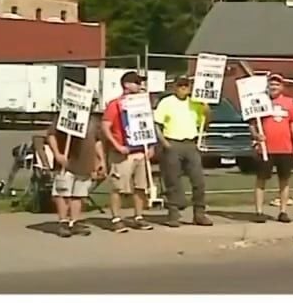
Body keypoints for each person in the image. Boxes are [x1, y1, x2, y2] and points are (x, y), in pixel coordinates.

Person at [153, 75, 212, 226]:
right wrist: (165, 143)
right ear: (175, 87)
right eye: (180, 86)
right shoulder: (166, 102)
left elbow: (205, 124)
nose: (183, 88)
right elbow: (156, 124)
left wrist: (207, 111)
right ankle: (173, 214)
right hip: (173, 143)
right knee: (172, 180)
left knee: (199, 181)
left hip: (191, 144)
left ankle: (199, 213)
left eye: (186, 86)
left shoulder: (196, 103)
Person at [45, 98, 106, 238]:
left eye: (94, 102)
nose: (92, 105)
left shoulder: (92, 121)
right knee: (63, 194)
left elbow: (97, 142)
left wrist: (100, 160)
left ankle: (75, 222)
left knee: (79, 195)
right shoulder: (64, 116)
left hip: (84, 164)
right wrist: (57, 154)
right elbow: (51, 135)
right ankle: (63, 222)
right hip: (66, 162)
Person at [101, 70, 153, 230]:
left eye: (140, 83)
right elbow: (105, 126)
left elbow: (148, 126)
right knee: (119, 187)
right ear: (126, 85)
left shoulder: (142, 104)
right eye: (136, 83)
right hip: (122, 152)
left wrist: (150, 146)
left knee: (141, 187)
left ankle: (138, 216)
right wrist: (117, 146)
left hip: (140, 151)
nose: (140, 86)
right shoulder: (115, 104)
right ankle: (116, 219)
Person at [252, 73, 293, 222]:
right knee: (261, 179)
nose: (274, 87)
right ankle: (259, 211)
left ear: (282, 86)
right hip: (266, 148)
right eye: (271, 84)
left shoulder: (289, 102)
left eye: (277, 84)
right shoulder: (260, 101)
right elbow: (252, 124)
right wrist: (256, 136)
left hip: (285, 148)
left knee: (284, 179)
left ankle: (283, 211)